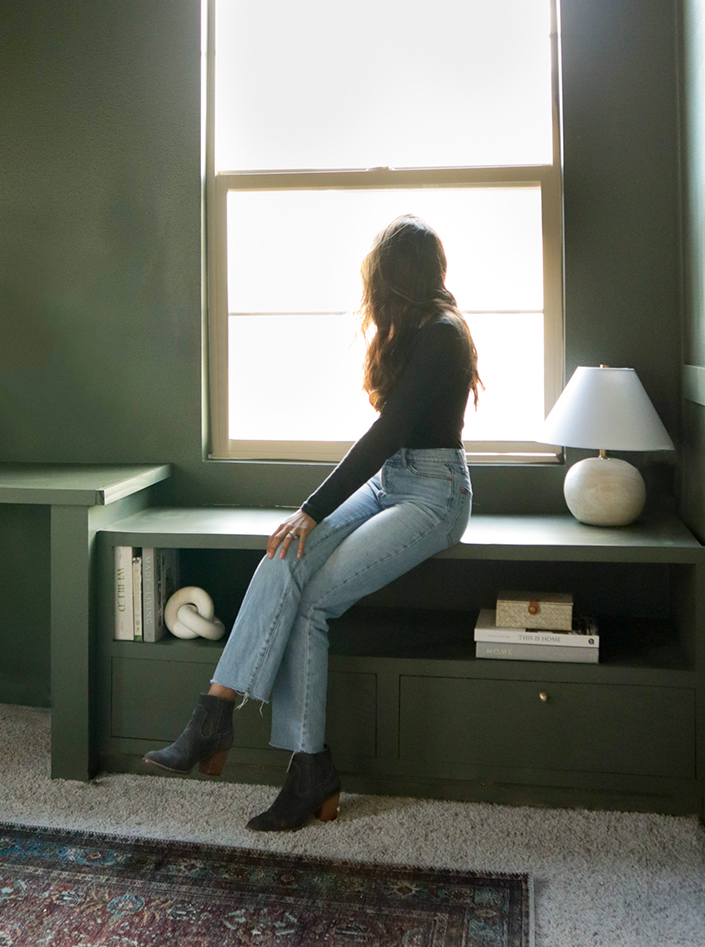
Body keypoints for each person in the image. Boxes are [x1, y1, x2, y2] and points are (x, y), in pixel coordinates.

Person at [143, 214, 480, 831]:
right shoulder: (415, 329)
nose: (370, 295)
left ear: (395, 279)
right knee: (283, 553)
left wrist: (312, 508)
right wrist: (305, 519)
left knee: (313, 598)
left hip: (434, 496)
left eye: (376, 281)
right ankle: (216, 712)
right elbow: (385, 445)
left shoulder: (444, 336)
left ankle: (307, 770)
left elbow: (390, 432)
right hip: (391, 483)